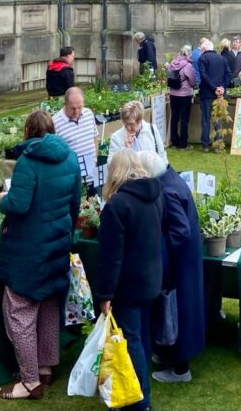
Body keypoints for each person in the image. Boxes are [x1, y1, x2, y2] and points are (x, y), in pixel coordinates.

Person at [0, 109, 81, 399]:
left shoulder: (27, 162)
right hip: (56, 243)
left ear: (28, 132)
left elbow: (18, 205)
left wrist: (2, 201)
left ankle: (30, 381)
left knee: (20, 310)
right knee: (48, 306)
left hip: (28, 249)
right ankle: (45, 367)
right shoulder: (69, 156)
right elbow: (75, 203)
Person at [96, 149, 163, 411]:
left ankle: (138, 401)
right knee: (142, 337)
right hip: (150, 279)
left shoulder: (117, 205)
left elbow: (111, 257)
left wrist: (105, 295)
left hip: (129, 285)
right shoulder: (155, 195)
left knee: (130, 340)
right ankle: (141, 391)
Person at [138, 152, 205, 384]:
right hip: (187, 261)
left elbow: (180, 231)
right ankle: (170, 356)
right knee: (180, 310)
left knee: (177, 311)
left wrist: (161, 249)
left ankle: (180, 369)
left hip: (179, 265)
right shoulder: (172, 179)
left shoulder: (166, 190)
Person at [52, 86, 98, 184]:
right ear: (65, 104)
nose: (76, 111)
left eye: (80, 107)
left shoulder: (89, 114)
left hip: (93, 174)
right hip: (72, 179)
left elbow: (94, 137)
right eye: (72, 108)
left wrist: (96, 157)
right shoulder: (55, 122)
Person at [197, 39, 232, 152]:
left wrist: (214, 88)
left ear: (204, 49)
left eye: (201, 49)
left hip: (207, 94)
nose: (201, 51)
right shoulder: (222, 58)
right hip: (219, 95)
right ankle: (218, 146)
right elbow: (229, 74)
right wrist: (222, 87)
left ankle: (205, 145)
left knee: (206, 120)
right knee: (218, 121)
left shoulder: (202, 58)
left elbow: (203, 75)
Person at [167, 46, 197, 149]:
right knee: (184, 119)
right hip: (184, 95)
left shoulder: (172, 63)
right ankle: (183, 143)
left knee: (174, 118)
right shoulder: (188, 66)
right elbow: (193, 81)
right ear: (188, 54)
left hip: (172, 94)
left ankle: (174, 141)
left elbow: (169, 75)